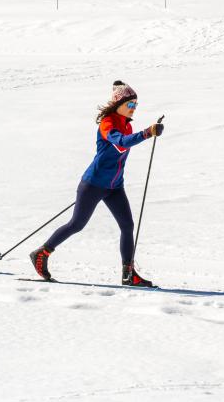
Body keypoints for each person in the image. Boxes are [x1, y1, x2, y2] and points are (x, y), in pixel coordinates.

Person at [29, 81, 165, 287]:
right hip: (93, 184)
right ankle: (41, 253)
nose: (133, 108)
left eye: (135, 105)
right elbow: (120, 141)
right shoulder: (107, 123)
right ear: (118, 104)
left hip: (115, 187)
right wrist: (147, 133)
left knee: (127, 226)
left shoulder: (127, 124)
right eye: (130, 104)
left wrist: (145, 132)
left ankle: (128, 274)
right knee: (77, 224)